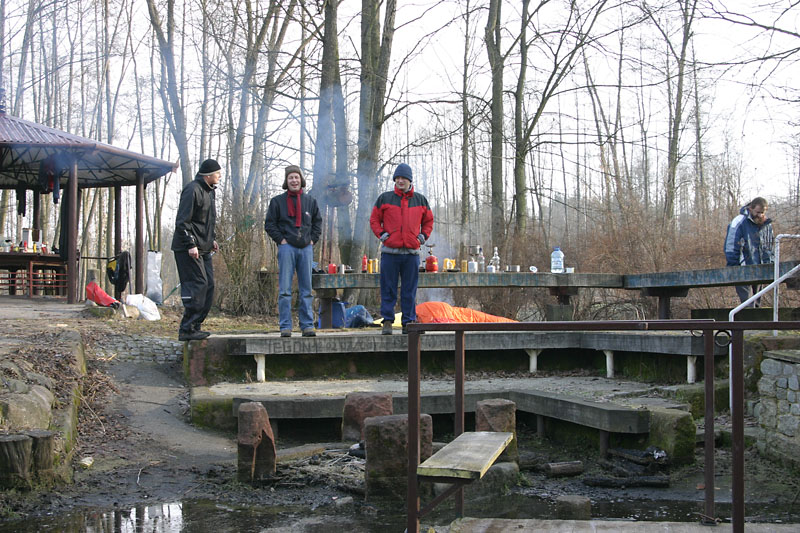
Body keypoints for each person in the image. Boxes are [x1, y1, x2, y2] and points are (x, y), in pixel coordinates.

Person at [370, 163, 434, 335]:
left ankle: (408, 322)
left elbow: (428, 221)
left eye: (403, 178)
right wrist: (382, 235)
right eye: (397, 178)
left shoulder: (420, 200)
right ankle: (387, 322)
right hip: (390, 254)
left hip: (411, 254)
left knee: (409, 290)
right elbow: (374, 220)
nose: (400, 181)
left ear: (410, 180)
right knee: (388, 289)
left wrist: (422, 237)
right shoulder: (385, 198)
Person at [265, 165, 322, 337]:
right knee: (284, 290)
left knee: (306, 290)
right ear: (286, 181)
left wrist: (312, 240)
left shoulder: (310, 201)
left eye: (296, 177)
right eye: (291, 178)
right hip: (286, 248)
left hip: (306, 249)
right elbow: (270, 224)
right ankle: (285, 326)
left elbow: (317, 223)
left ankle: (307, 325)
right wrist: (281, 241)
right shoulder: (277, 202)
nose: (294, 180)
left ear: (301, 180)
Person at [171, 159, 221, 341]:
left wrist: (211, 240)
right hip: (188, 248)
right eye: (217, 173)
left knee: (209, 285)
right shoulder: (192, 190)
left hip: (203, 247)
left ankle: (196, 325)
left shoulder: (210, 192)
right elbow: (182, 221)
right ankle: (187, 328)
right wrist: (190, 244)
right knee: (198, 284)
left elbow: (205, 221)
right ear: (208, 175)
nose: (219, 176)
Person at [724, 196, 774, 306]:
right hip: (742, 269)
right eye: (758, 212)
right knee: (747, 304)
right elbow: (731, 246)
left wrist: (770, 264)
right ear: (751, 208)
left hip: (761, 269)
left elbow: (769, 246)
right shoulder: (739, 222)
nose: (760, 215)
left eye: (762, 212)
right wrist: (734, 267)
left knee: (757, 304)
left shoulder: (766, 225)